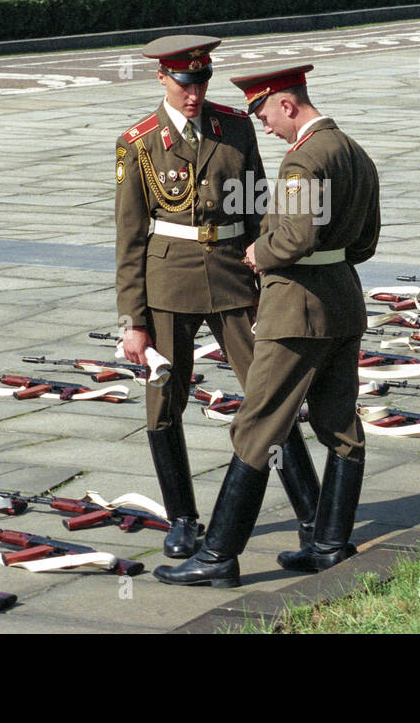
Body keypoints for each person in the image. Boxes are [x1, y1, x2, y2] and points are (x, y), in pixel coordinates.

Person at [155, 64, 381, 588]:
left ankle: (218, 555)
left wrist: (262, 252)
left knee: (256, 426)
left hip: (296, 312)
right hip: (343, 303)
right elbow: (366, 240)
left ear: (286, 104)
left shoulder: (305, 159)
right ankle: (328, 545)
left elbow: (295, 237)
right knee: (339, 425)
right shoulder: (353, 151)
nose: (265, 126)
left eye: (264, 115)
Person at [115, 37, 321, 560]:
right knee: (165, 403)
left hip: (234, 277)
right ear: (162, 79)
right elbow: (130, 238)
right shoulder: (139, 143)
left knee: (270, 396)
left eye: (201, 83)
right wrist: (132, 320)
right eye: (185, 84)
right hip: (168, 284)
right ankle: (183, 518)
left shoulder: (234, 127)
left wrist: (269, 282)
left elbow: (258, 211)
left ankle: (312, 515)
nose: (194, 95)